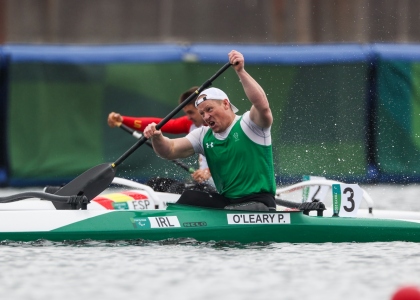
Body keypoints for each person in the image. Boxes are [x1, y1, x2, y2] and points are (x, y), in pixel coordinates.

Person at [143, 50, 276, 211]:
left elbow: (262, 105)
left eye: (209, 109)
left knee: (231, 209)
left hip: (259, 203)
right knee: (190, 196)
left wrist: (240, 71)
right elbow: (169, 150)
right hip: (228, 202)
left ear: (226, 104)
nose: (206, 116)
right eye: (202, 113)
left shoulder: (250, 124)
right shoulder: (203, 135)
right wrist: (157, 137)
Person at [107, 86, 214, 191]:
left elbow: (230, 158)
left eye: (191, 112)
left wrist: (209, 171)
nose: (189, 117)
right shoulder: (191, 124)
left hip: (222, 186)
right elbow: (158, 124)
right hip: (206, 184)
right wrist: (123, 120)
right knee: (155, 183)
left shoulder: (222, 129)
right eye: (186, 113)